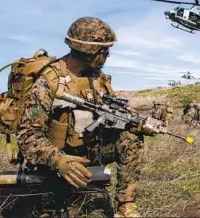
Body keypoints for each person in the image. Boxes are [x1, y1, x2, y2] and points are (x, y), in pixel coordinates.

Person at [15, 17, 158, 217]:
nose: (107, 55)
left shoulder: (98, 78)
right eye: (104, 51)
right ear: (89, 52)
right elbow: (27, 134)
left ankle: (126, 207)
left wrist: (135, 124)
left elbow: (112, 112)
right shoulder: (49, 81)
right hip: (55, 158)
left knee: (131, 139)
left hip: (88, 150)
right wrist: (59, 161)